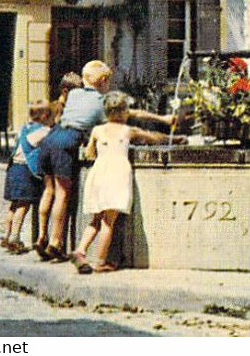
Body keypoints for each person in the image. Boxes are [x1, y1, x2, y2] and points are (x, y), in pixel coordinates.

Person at [33, 61, 174, 262]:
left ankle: (42, 237)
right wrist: (163, 119)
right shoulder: (102, 102)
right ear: (104, 80)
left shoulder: (74, 94)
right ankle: (55, 242)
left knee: (50, 191)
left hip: (51, 139)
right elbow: (131, 114)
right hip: (67, 142)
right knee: (62, 195)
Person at [73, 91, 184, 274]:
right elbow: (152, 137)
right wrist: (176, 139)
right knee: (108, 223)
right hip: (116, 175)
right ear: (125, 112)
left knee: (96, 219)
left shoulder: (97, 130)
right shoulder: (128, 130)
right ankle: (99, 262)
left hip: (98, 173)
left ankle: (80, 250)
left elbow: (89, 152)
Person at [0, 101, 52, 253]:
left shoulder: (24, 128)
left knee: (13, 205)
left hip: (13, 168)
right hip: (25, 170)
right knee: (23, 205)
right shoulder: (42, 131)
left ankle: (6, 235)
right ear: (44, 115)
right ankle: (15, 238)